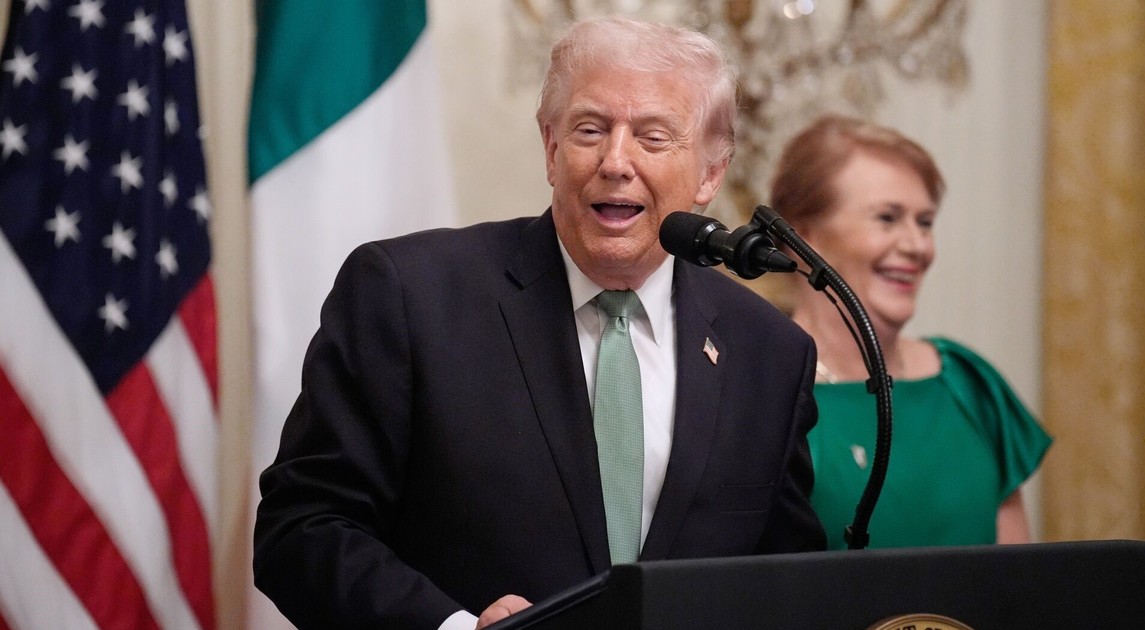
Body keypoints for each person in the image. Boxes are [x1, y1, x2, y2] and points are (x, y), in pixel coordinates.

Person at [254, 17, 826, 630]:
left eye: (653, 138)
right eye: (590, 129)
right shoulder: (408, 295)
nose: (616, 161)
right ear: (552, 149)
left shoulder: (769, 352)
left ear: (711, 173)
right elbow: (303, 528)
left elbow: (789, 582)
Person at [769, 114, 1052, 550]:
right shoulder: (764, 397)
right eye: (887, 218)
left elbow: (1022, 581)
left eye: (925, 222)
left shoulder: (968, 386)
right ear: (802, 238)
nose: (917, 246)